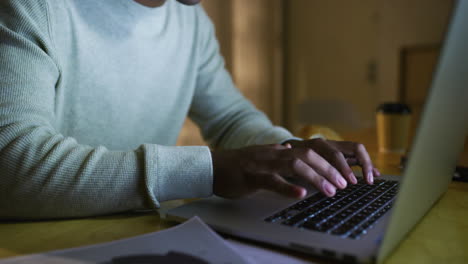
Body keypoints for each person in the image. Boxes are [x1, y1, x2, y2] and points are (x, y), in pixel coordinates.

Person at [0, 0, 379, 219]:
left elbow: (231, 120)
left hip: (137, 235)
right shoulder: (35, 7)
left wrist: (291, 154)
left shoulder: (190, 21)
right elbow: (10, 164)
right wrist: (210, 170)